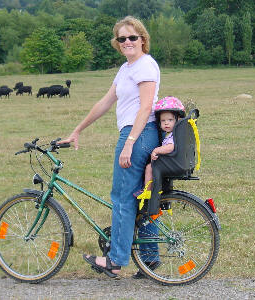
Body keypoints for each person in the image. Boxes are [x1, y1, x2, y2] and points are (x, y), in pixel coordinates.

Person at [57, 16, 160, 278]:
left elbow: (146, 107)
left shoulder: (145, 66)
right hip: (136, 133)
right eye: (121, 38)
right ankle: (149, 259)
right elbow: (105, 102)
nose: (127, 42)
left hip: (139, 132)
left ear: (142, 39)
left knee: (122, 198)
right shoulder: (127, 68)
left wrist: (130, 143)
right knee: (138, 197)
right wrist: (77, 130)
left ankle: (115, 260)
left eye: (132, 37)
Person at [134, 97, 186, 199]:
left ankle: (147, 191)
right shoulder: (171, 134)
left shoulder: (173, 135)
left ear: (178, 120)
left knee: (149, 167)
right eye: (163, 120)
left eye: (170, 120)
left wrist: (156, 150)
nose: (166, 123)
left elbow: (171, 147)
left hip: (171, 162)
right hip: (172, 161)